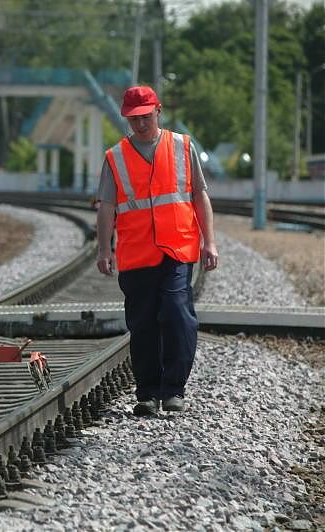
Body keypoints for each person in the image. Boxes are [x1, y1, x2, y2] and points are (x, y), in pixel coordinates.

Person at [95, 86, 219, 416]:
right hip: (136, 254)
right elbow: (106, 206)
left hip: (177, 248)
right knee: (144, 323)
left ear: (158, 111)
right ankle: (148, 393)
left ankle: (174, 389)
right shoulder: (115, 157)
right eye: (133, 119)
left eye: (145, 117)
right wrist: (104, 249)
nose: (140, 124)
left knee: (178, 315)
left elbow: (199, 197)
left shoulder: (182, 146)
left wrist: (210, 241)